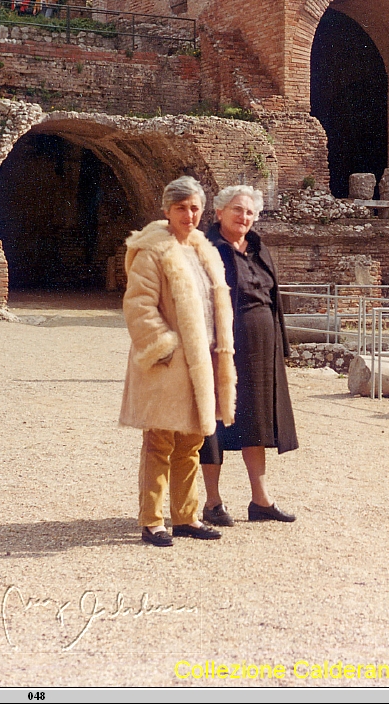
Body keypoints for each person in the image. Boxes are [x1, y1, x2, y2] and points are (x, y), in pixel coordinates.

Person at [120, 176, 237, 546]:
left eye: (194, 208)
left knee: (191, 443)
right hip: (168, 365)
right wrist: (165, 348)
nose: (189, 215)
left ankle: (185, 516)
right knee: (159, 442)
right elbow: (138, 306)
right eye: (181, 208)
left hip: (202, 362)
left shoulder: (203, 250)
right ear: (167, 210)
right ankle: (152, 520)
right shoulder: (153, 250)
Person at [200, 185, 298, 525]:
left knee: (254, 425)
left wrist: (280, 347)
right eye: (237, 210)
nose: (244, 217)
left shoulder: (259, 249)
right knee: (214, 425)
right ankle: (212, 502)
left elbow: (275, 302)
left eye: (250, 213)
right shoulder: (206, 249)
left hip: (260, 354)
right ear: (220, 213)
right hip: (219, 352)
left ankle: (261, 500)